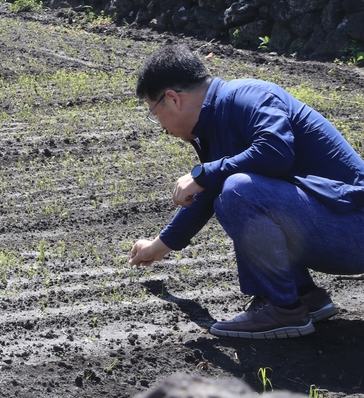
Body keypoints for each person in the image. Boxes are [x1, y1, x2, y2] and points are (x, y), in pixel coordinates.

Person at [129, 44, 364, 339]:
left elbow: (276, 152)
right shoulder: (217, 121)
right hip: (339, 229)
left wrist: (204, 174)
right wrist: (157, 246)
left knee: (239, 191)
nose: (161, 126)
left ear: (173, 99)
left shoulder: (248, 96)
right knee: (233, 189)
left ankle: (284, 310)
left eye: (154, 112)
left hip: (355, 229)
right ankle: (304, 296)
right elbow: (207, 196)